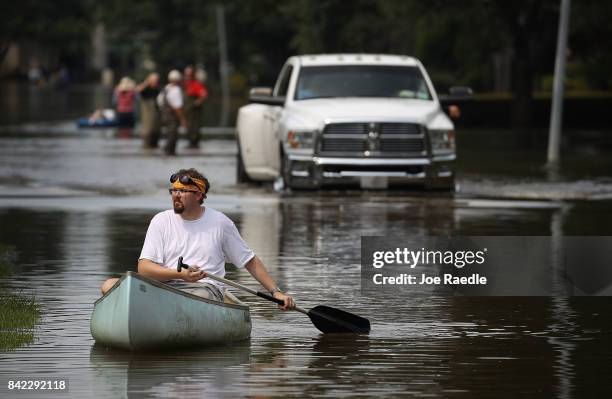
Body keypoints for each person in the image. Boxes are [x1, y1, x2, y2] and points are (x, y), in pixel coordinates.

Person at [100, 168, 296, 311]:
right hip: (166, 287)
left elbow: (249, 261)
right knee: (109, 285)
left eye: (183, 191)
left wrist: (275, 292)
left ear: (199, 195)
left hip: (205, 290)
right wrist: (179, 275)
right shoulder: (161, 221)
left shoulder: (220, 223)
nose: (176, 195)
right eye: (173, 191)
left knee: (195, 296)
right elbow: (144, 268)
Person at [158, 70, 187, 155]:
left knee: (168, 133)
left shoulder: (166, 88)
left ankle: (167, 150)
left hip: (164, 115)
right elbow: (177, 107)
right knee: (173, 134)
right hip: (172, 116)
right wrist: (183, 120)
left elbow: (159, 101)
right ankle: (170, 152)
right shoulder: (176, 90)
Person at [183, 66, 208, 148]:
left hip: (194, 111)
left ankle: (194, 144)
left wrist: (198, 102)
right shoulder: (186, 84)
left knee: (195, 127)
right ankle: (190, 143)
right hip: (188, 111)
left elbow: (204, 94)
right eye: (186, 74)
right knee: (188, 127)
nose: (187, 76)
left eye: (189, 74)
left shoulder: (196, 84)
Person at [136, 73, 161, 148]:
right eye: (154, 81)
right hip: (147, 123)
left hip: (156, 122)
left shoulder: (158, 90)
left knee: (155, 136)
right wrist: (146, 82)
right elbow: (137, 90)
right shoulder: (145, 90)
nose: (156, 82)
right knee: (147, 138)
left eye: (157, 81)